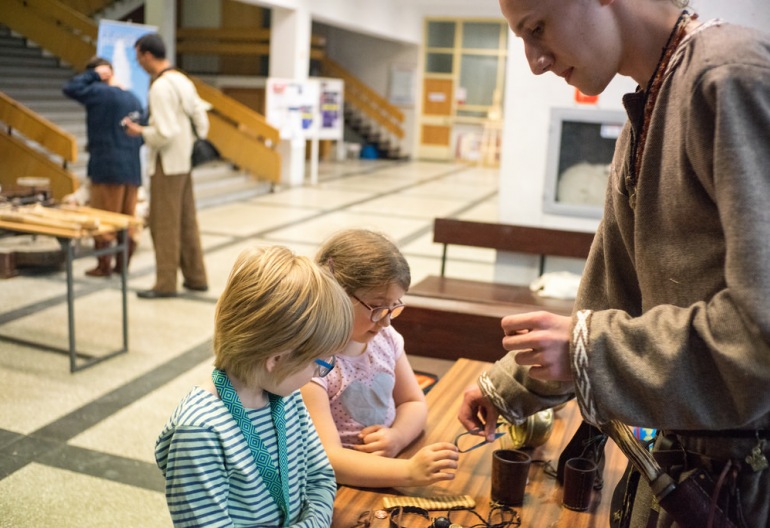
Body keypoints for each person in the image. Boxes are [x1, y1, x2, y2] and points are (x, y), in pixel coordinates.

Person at [458, 0, 770, 526]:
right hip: (676, 464)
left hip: (739, 484)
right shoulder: (647, 107)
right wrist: (506, 388)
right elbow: (605, 300)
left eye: (538, 28)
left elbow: (761, 333)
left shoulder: (728, 76)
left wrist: (588, 348)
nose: (535, 61)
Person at [155, 245, 354, 527]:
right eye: (318, 363)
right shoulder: (199, 432)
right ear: (276, 359)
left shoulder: (287, 397)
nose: (318, 374)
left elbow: (320, 478)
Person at [301, 229, 459, 487]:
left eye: (394, 307)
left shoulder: (383, 339)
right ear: (336, 294)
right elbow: (329, 459)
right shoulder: (312, 364)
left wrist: (396, 436)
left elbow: (413, 402)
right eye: (377, 307)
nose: (386, 321)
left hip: (387, 469)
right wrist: (409, 471)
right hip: (340, 486)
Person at [123, 33, 209, 298]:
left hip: (166, 165)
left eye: (139, 58)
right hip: (183, 162)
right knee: (186, 222)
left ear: (148, 55)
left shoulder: (160, 86)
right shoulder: (182, 80)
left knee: (165, 224)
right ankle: (196, 277)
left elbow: (165, 132)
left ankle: (165, 283)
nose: (139, 64)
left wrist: (141, 132)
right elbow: (202, 122)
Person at [62, 57, 143, 277]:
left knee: (104, 220)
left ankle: (103, 266)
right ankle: (122, 267)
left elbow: (71, 88)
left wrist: (95, 75)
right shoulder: (133, 98)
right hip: (133, 169)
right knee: (127, 220)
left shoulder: (99, 92)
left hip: (107, 167)